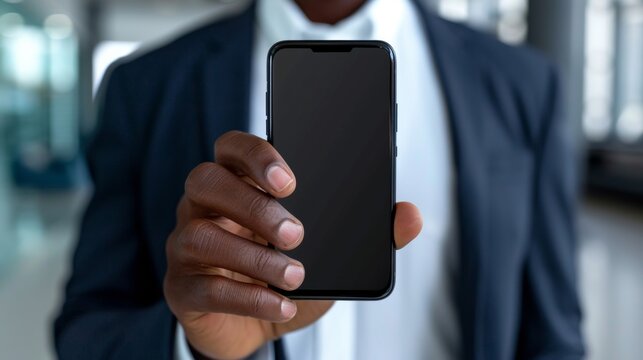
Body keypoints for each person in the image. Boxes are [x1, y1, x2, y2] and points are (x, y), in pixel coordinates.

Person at [54, 0, 585, 359]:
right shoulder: (146, 86)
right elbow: (87, 332)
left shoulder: (521, 85)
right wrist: (192, 344)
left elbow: (553, 337)